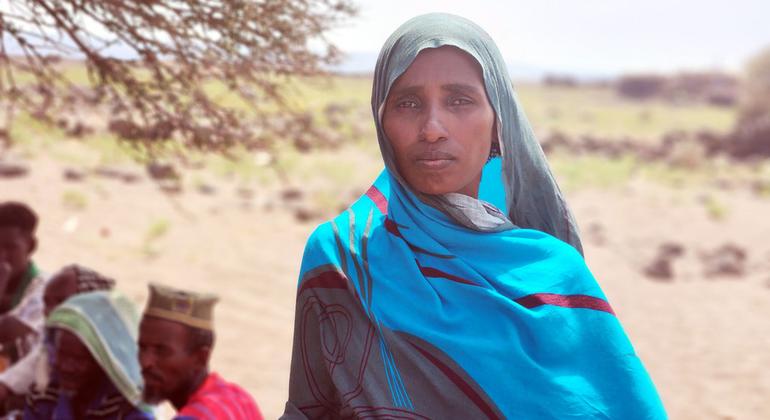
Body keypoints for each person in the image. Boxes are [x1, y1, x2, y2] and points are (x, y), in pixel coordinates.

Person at [282, 13, 666, 419]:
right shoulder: (342, 256)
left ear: (499, 121)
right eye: (407, 103)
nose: (432, 128)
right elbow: (310, 408)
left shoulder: (556, 273)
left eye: (459, 101)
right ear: (382, 120)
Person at [0, 264, 117, 413]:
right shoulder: (51, 346)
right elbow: (18, 378)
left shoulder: (111, 360)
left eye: (61, 301)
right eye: (47, 303)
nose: (51, 311)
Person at [138, 283, 262, 419]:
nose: (145, 362)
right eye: (142, 347)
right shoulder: (239, 399)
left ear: (200, 358)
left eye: (162, 352)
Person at [23, 290, 153, 419]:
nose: (66, 367)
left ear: (103, 361)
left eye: (79, 359)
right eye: (61, 354)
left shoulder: (127, 409)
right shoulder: (44, 395)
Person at [0, 202, 47, 405]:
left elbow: (5, 332)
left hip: (27, 396)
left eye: (10, 247)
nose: (1, 256)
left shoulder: (46, 288)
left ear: (31, 246)